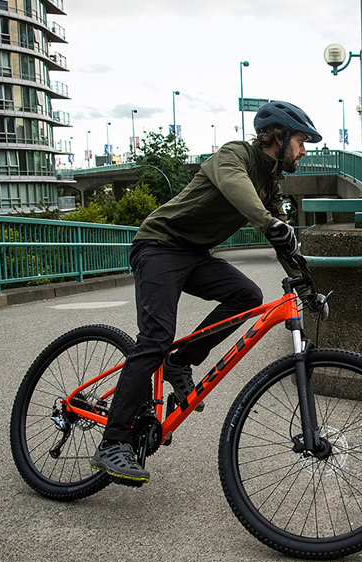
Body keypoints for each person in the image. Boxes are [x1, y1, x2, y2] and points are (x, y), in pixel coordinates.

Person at [89, 101, 322, 485]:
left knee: (247, 295)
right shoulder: (234, 155)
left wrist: (306, 284)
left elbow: (283, 238)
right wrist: (267, 221)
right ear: (278, 137)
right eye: (300, 141)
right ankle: (112, 442)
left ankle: (181, 362)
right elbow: (236, 189)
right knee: (155, 338)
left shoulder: (270, 183)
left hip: (194, 254)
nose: (304, 150)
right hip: (159, 246)